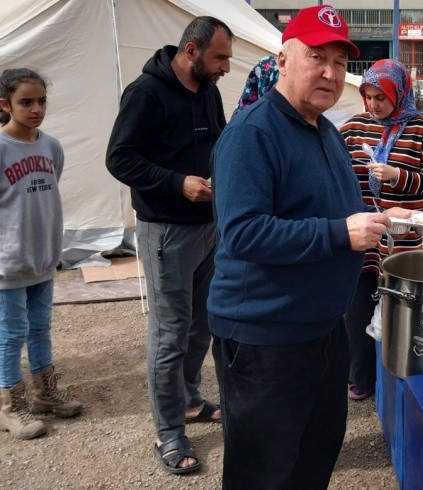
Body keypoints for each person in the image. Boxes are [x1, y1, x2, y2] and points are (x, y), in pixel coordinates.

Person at [207, 6, 411, 488]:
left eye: (340, 63)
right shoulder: (252, 134)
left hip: (321, 329)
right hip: (265, 335)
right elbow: (243, 232)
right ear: (283, 59)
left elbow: (335, 207)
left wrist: (381, 218)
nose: (330, 72)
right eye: (316, 56)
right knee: (264, 469)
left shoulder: (324, 130)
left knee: (314, 457)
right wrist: (342, 233)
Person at [105, 16, 233, 475]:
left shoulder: (210, 91)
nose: (226, 67)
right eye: (220, 57)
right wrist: (178, 184)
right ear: (192, 52)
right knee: (169, 333)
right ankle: (168, 430)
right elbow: (119, 158)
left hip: (207, 226)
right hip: (166, 231)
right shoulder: (146, 93)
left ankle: (190, 400)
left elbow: (216, 142)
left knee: (202, 324)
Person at [340, 59, 423, 401]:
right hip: (363, 235)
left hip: (401, 237)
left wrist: (398, 177)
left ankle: (397, 375)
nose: (373, 105)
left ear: (398, 93)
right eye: (367, 97)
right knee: (357, 308)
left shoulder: (419, 128)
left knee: (400, 307)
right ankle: (361, 376)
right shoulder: (352, 128)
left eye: (380, 97)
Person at [0, 68, 83, 441]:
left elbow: (47, 193)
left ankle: (45, 393)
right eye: (26, 102)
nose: (36, 109)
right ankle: (10, 405)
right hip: (8, 263)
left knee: (40, 327)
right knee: (10, 332)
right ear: (5, 105)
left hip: (43, 258)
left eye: (42, 101)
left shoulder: (52, 146)